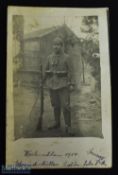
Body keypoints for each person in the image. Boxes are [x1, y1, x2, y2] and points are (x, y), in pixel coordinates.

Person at [44, 37, 75, 135]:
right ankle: (56, 123)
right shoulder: (49, 57)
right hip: (52, 85)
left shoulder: (67, 57)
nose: (55, 47)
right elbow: (46, 70)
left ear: (62, 46)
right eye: (54, 45)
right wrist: (42, 80)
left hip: (63, 85)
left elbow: (71, 71)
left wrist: (72, 84)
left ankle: (68, 126)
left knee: (65, 106)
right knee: (55, 105)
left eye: (58, 45)